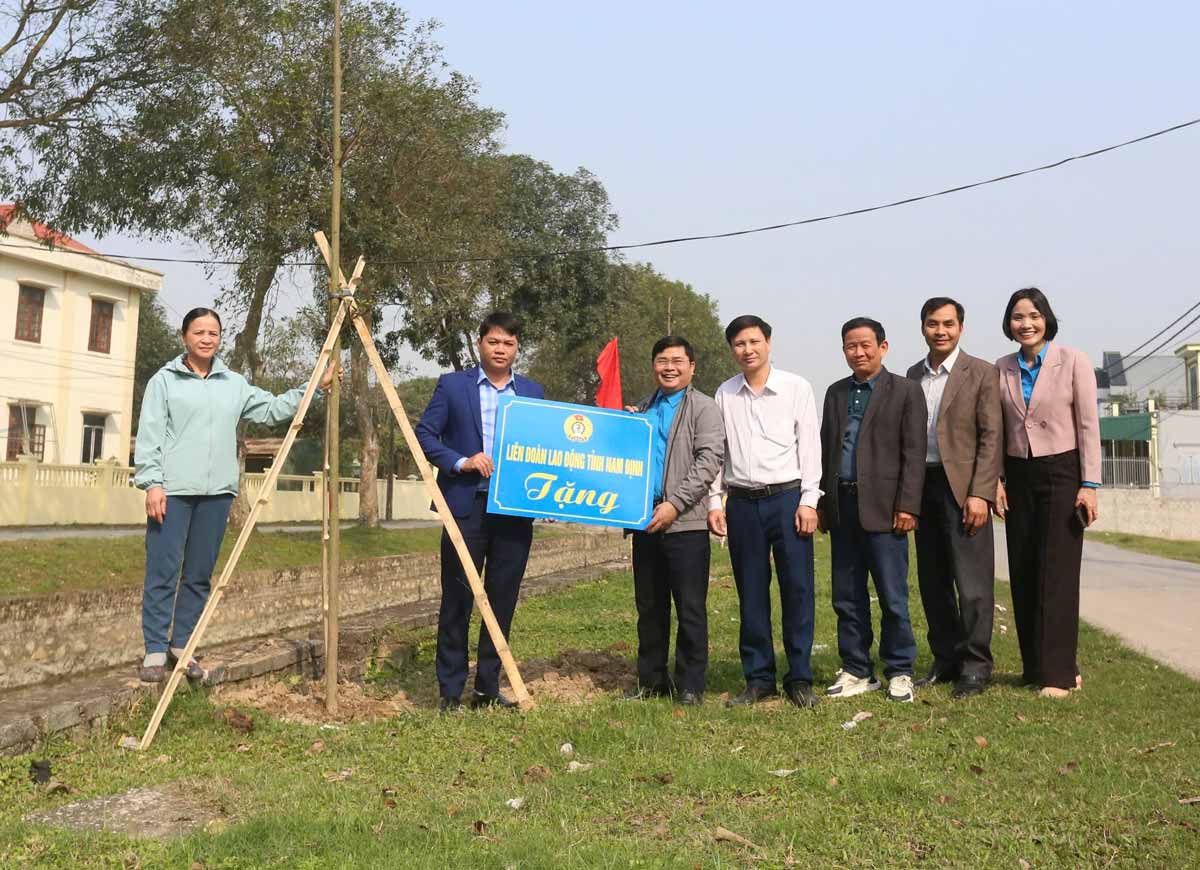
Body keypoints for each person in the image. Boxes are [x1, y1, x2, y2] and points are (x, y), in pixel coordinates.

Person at [134, 307, 338, 683]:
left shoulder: (233, 383)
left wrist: (313, 386)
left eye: (213, 332)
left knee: (198, 576)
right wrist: (153, 483)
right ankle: (154, 651)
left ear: (220, 338)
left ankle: (182, 647)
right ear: (184, 337)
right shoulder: (164, 381)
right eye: (199, 332)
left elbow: (273, 409)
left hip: (217, 494)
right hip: (172, 492)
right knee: (162, 572)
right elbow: (149, 435)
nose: (206, 338)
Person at [415, 312, 545, 712]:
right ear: (480, 344)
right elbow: (423, 434)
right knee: (458, 597)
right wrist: (461, 461)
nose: (500, 349)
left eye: (508, 343)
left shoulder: (533, 393)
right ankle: (450, 690)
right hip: (465, 506)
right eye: (493, 342)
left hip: (513, 510)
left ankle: (488, 687)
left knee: (502, 598)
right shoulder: (454, 386)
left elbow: (547, 447)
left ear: (517, 347)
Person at [707, 315, 823, 709]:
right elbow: (718, 453)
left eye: (754, 341)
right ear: (732, 349)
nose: (747, 350)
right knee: (751, 592)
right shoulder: (725, 393)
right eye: (739, 344)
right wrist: (714, 501)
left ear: (769, 342)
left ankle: (800, 676)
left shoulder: (796, 387)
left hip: (788, 499)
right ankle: (759, 678)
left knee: (798, 590)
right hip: (742, 502)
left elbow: (809, 446)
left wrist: (810, 500)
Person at [994, 288, 1100, 699]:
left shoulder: (1073, 361)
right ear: (1009, 324)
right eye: (1018, 317)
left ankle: (1058, 674)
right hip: (1018, 473)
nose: (1026, 324)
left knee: (1056, 572)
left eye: (1033, 315)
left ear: (1046, 319)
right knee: (1023, 570)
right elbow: (1000, 427)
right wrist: (998, 480)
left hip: (1062, 470)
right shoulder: (1001, 368)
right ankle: (1034, 665)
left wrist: (1089, 485)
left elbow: (1089, 425)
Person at [819, 317, 926, 703]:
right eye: (851, 346)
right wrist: (823, 502)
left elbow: (914, 454)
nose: (858, 352)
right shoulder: (835, 393)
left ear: (883, 347)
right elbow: (827, 450)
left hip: (886, 509)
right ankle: (856, 669)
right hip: (843, 505)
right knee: (846, 595)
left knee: (893, 595)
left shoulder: (906, 391)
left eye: (866, 345)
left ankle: (899, 669)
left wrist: (908, 505)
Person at [905, 298, 1003, 699]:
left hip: (962, 488)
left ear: (961, 327)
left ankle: (976, 665)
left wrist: (980, 493)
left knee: (973, 583)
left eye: (948, 323)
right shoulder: (913, 375)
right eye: (933, 324)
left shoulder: (980, 372)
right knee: (933, 580)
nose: (940, 331)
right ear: (923, 327)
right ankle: (945, 658)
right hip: (922, 485)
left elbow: (991, 436)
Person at [625, 336, 724, 706]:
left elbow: (708, 462)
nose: (669, 367)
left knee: (690, 607)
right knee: (649, 606)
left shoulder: (704, 408)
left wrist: (675, 505)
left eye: (677, 361)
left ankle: (690, 684)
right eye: (662, 360)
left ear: (692, 366)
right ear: (653, 365)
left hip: (685, 523)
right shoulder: (644, 408)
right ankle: (651, 680)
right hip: (645, 520)